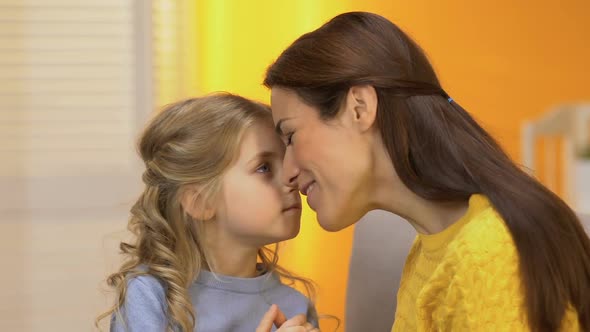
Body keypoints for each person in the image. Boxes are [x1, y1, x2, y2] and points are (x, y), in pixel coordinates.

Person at [258, 11, 590, 332]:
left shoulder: (488, 255)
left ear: (360, 108)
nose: (287, 172)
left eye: (290, 136)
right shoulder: (427, 252)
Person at [96, 93, 318, 331]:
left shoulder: (296, 309)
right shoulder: (151, 297)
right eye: (264, 167)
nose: (290, 178)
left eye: (286, 162)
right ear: (200, 202)